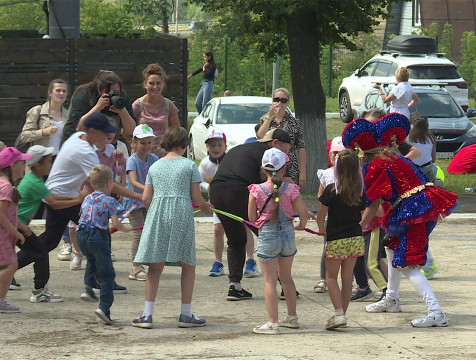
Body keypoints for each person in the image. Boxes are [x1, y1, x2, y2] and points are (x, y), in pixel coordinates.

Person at [343, 113, 458, 328]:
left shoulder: (375, 165)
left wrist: (357, 228)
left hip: (411, 214)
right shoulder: (393, 157)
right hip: (415, 209)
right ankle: (391, 299)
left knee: (408, 264)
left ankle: (436, 313)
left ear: (363, 150)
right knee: (392, 250)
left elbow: (374, 203)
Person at [16, 113, 141, 297]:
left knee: (49, 241)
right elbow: (103, 182)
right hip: (64, 198)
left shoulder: (77, 138)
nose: (108, 137)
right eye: (104, 133)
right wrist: (138, 194)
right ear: (92, 132)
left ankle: (9, 267)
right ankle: (101, 279)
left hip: (58, 195)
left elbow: (82, 123)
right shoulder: (86, 151)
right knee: (100, 231)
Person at [132, 127, 212, 329]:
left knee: (155, 265)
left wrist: (153, 214)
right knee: (188, 264)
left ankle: (147, 315)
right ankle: (186, 313)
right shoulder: (188, 166)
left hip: (157, 212)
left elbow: (145, 197)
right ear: (184, 145)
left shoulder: (155, 166)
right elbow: (196, 197)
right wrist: (204, 206)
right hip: (181, 212)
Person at [209, 128, 292, 300]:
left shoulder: (242, 148)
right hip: (238, 190)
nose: (285, 154)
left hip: (216, 190)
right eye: (286, 150)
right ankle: (285, 286)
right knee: (269, 235)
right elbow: (276, 184)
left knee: (236, 239)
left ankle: (235, 286)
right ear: (275, 143)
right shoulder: (269, 154)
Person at [248, 148, 308, 335]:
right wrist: (300, 224)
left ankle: (273, 322)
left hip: (268, 235)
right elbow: (303, 214)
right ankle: (292, 316)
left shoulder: (256, 190)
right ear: (284, 169)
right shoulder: (291, 189)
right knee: (286, 278)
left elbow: (251, 218)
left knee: (269, 281)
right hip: (288, 235)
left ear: (263, 169)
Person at [16, 145, 86, 303]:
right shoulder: (34, 182)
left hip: (16, 224)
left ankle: (39, 289)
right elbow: (54, 203)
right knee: (40, 251)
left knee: (38, 251)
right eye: (48, 161)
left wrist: (76, 198)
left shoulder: (35, 180)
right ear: (38, 165)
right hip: (16, 225)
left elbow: (52, 196)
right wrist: (78, 199)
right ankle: (39, 291)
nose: (51, 164)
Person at [315, 149, 366, 330]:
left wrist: (321, 230)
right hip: (355, 238)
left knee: (330, 278)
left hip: (336, 239)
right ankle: (341, 313)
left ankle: (338, 313)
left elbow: (321, 216)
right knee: (347, 279)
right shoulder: (359, 190)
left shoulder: (332, 190)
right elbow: (363, 212)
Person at [198, 128, 258, 277]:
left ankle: (250, 260)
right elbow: (198, 182)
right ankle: (218, 262)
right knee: (218, 229)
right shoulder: (205, 164)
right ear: (207, 147)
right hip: (218, 204)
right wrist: (208, 187)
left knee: (246, 228)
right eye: (212, 145)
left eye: (219, 145)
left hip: (238, 201)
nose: (216, 148)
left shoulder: (232, 159)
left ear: (225, 146)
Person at [77, 165, 131, 324]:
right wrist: (125, 229)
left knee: (91, 260)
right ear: (109, 183)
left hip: (82, 234)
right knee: (107, 274)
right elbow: (115, 223)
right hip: (97, 236)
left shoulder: (87, 197)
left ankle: (88, 288)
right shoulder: (110, 200)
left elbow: (85, 216)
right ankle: (104, 307)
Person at [123, 124, 159, 281]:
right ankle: (136, 267)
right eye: (143, 143)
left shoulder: (154, 159)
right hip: (134, 203)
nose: (147, 146)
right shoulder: (132, 160)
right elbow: (133, 181)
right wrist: (148, 189)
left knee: (148, 232)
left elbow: (159, 177)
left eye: (149, 142)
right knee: (139, 233)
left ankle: (145, 261)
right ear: (134, 143)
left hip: (148, 202)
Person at [62, 70, 136, 143]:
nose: (113, 95)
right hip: (77, 141)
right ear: (99, 90)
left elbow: (131, 130)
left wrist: (122, 111)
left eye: (116, 92)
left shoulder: (122, 98)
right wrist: (97, 107)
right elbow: (79, 127)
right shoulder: (84, 96)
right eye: (109, 92)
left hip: (104, 143)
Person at [313, 136, 346, 294]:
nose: (337, 156)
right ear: (330, 154)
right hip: (330, 218)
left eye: (341, 154)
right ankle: (323, 278)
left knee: (351, 251)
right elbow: (321, 197)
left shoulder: (353, 174)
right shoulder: (326, 174)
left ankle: (352, 280)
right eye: (335, 153)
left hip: (348, 220)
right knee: (327, 249)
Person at [257, 88, 306, 188]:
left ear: (288, 102)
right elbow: (260, 136)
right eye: (276, 100)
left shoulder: (295, 123)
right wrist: (270, 116)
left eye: (283, 100)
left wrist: (303, 173)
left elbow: (301, 148)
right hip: (270, 166)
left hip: (290, 166)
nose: (279, 103)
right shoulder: (266, 120)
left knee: (290, 196)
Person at [0, 147, 29, 313]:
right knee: (11, 265)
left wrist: (21, 227)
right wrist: (16, 232)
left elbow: (10, 214)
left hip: (5, 233)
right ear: (12, 166)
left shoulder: (6, 185)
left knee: (9, 265)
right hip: (3, 234)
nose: (24, 166)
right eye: (22, 163)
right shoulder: (6, 187)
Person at [132, 64, 180, 157]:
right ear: (145, 84)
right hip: (142, 156)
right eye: (151, 83)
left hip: (163, 156)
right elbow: (126, 131)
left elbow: (176, 132)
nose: (155, 87)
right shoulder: (138, 105)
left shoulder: (169, 106)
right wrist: (138, 146)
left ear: (163, 84)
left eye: (158, 83)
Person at [19, 79, 69, 156]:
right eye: (58, 90)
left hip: (60, 159)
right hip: (41, 161)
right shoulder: (37, 111)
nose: (61, 93)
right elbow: (24, 136)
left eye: (64, 91)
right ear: (50, 93)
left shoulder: (68, 115)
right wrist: (43, 132)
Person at [407, 117, 437, 182]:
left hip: (411, 170)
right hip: (427, 171)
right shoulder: (431, 138)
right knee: (434, 167)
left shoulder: (408, 137)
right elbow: (433, 159)